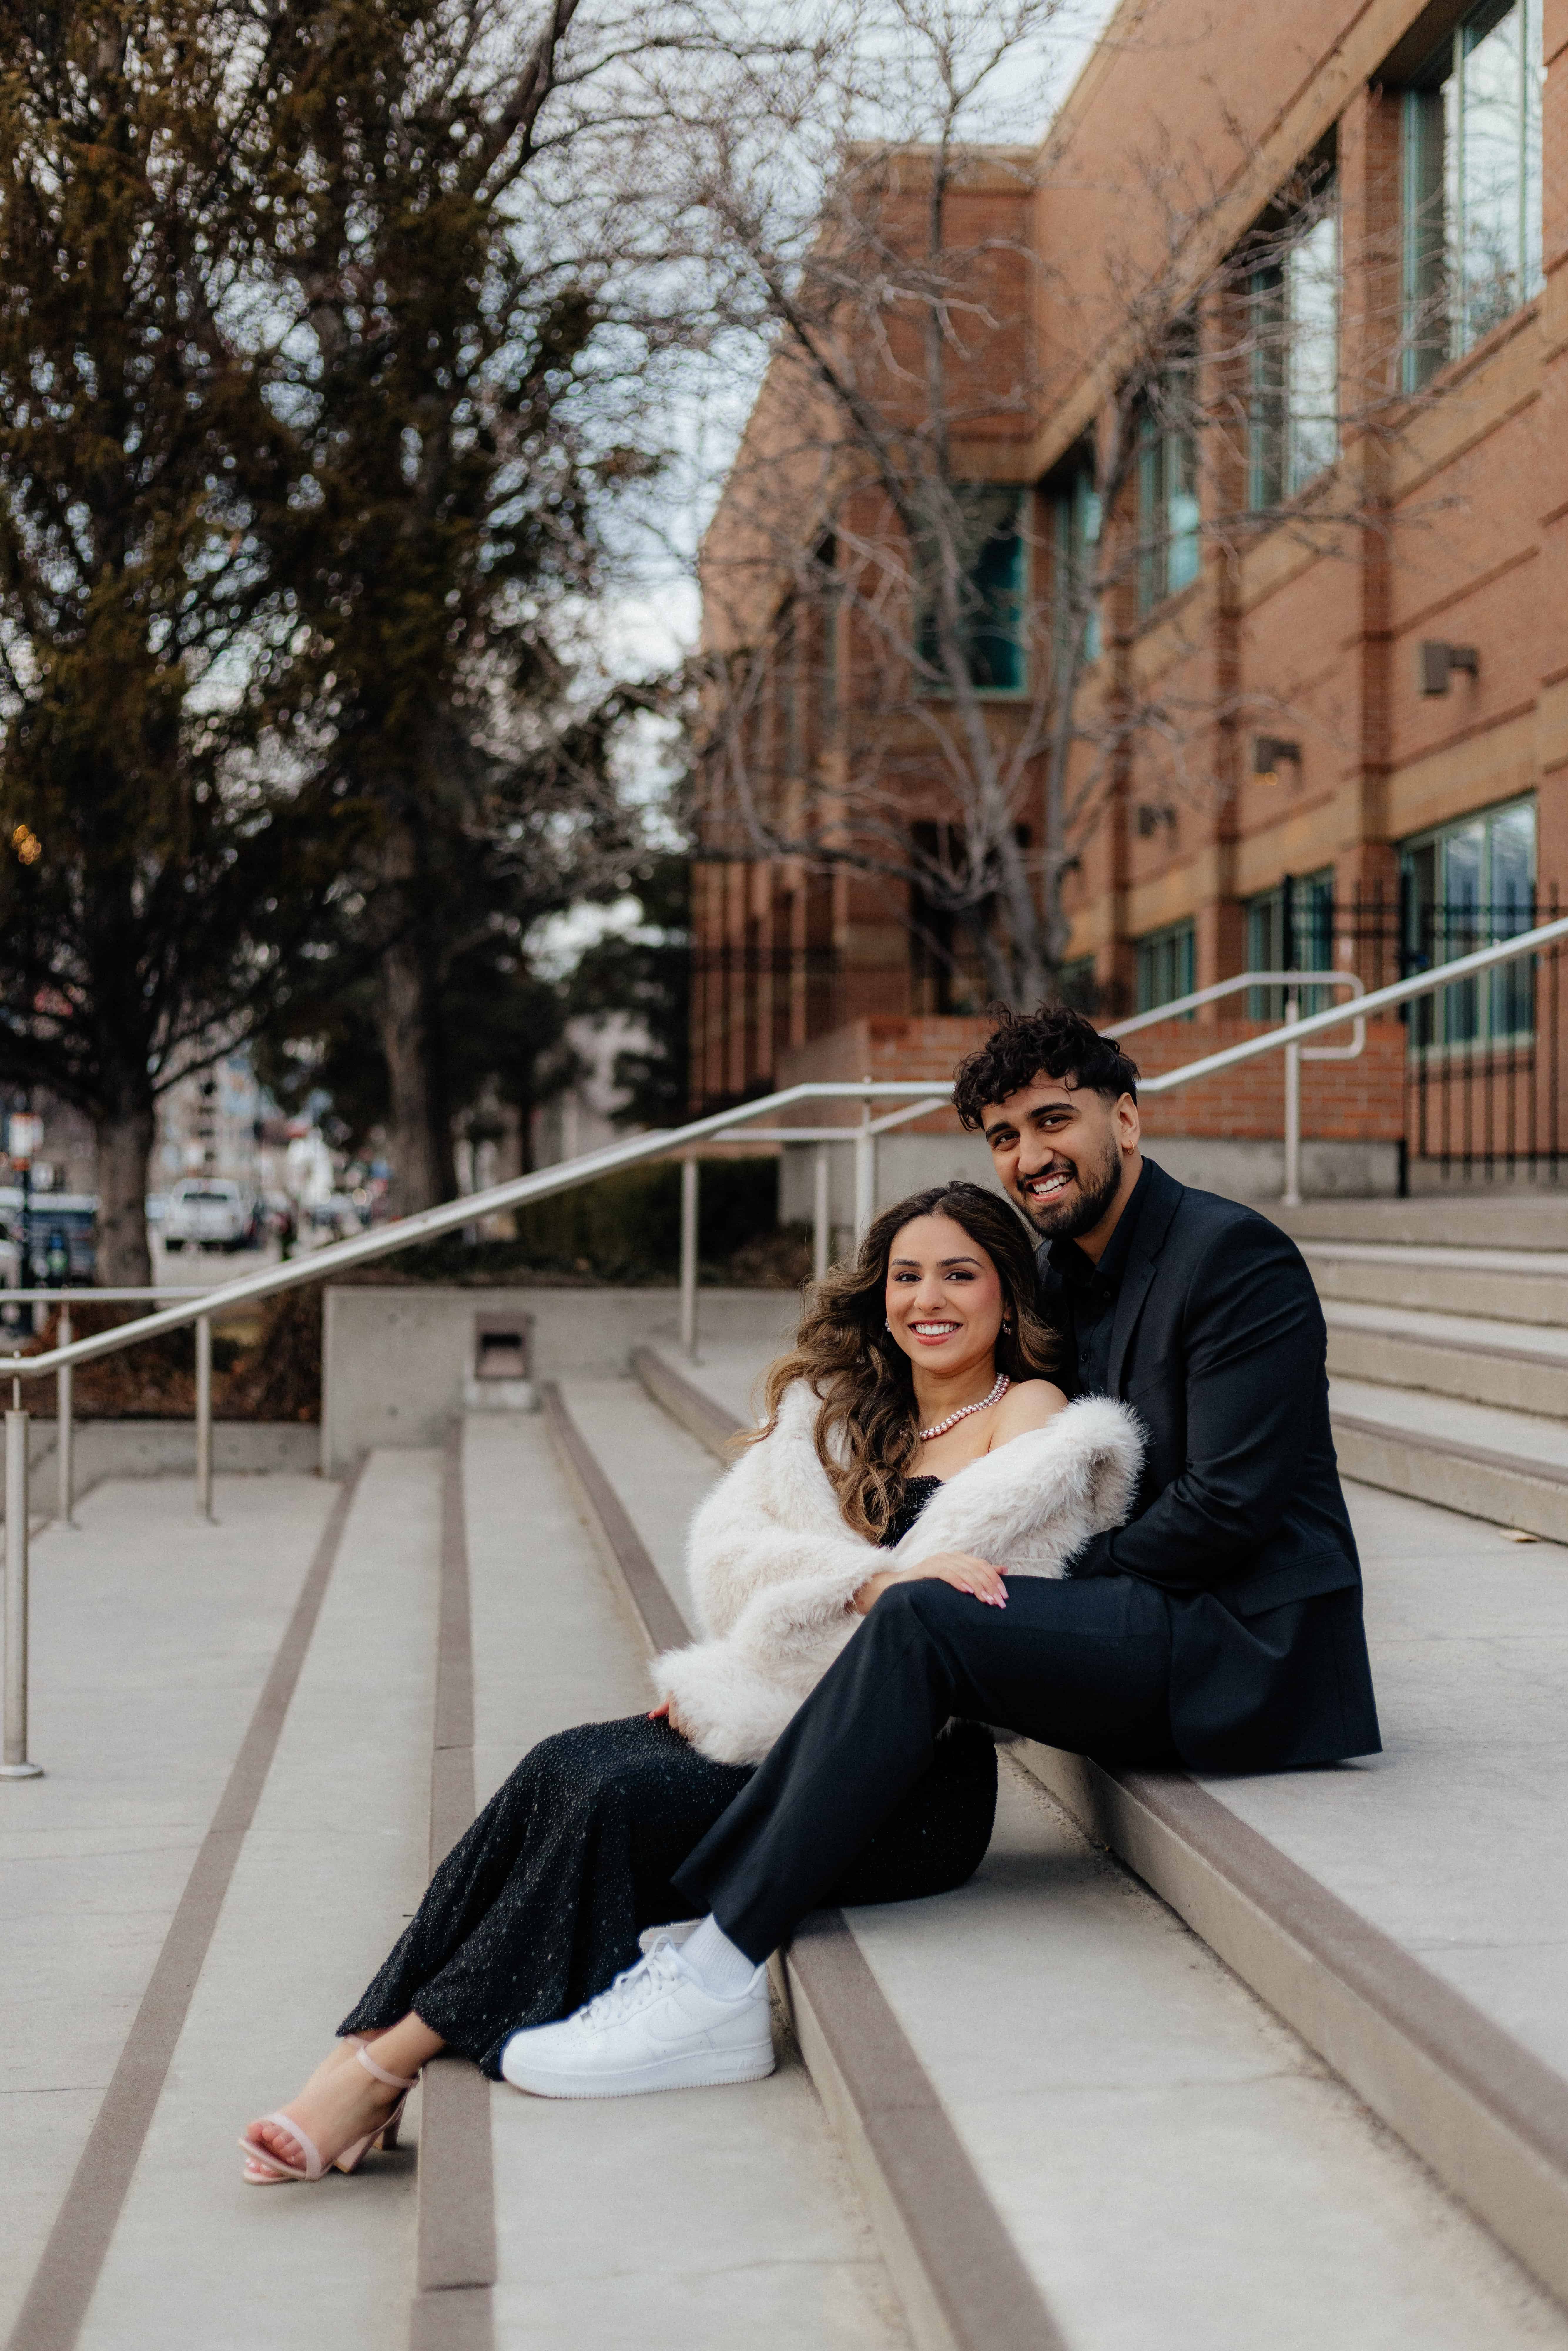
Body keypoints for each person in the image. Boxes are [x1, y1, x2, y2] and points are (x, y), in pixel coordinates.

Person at [489, 1002, 1381, 2103]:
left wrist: (1017, 1587)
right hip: (1137, 1612)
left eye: (1055, 1120)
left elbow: (1229, 1509)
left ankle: (716, 1977)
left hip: (1242, 1639)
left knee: (927, 1611)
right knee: (910, 1603)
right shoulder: (1056, 1273)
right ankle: (697, 1939)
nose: (1030, 1156)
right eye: (1004, 1136)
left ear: (1129, 1119)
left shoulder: (1232, 1256)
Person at [241, 1178, 1143, 2179]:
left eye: (959, 1276)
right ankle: (357, 2052)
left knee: (617, 1801)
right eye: (907, 1276)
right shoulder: (842, 1418)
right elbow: (731, 1565)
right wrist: (838, 1603)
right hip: (786, 1715)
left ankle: (382, 2070)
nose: (928, 1299)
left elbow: (969, 1620)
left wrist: (851, 1607)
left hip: (907, 1782)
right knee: (561, 1766)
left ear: (1007, 1298)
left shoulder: (1031, 1419)